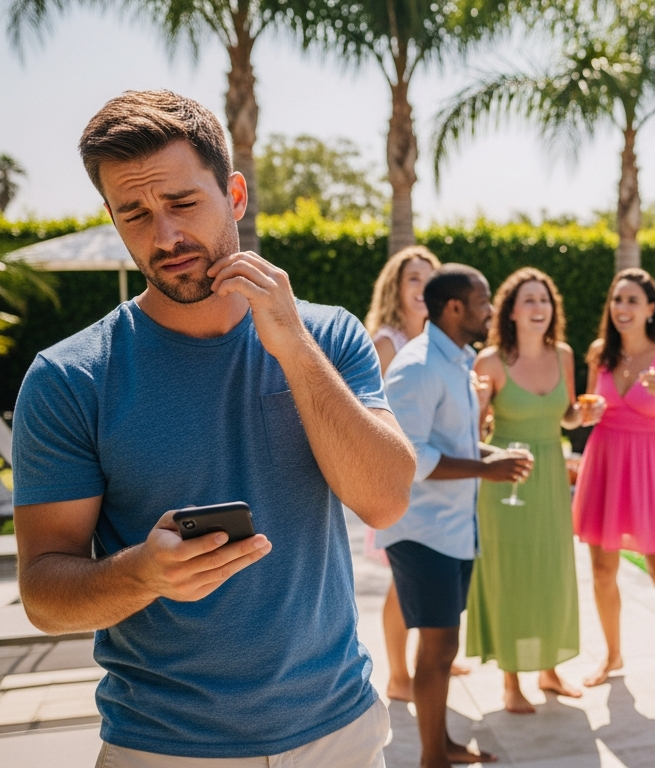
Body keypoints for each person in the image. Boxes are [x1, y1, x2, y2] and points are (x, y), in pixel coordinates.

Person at [11, 90, 416, 765]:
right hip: (163, 749)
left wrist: (293, 349)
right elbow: (45, 596)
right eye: (134, 213)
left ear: (234, 194)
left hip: (338, 734)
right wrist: (143, 575)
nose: (164, 236)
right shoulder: (68, 379)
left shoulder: (327, 335)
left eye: (182, 203)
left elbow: (386, 498)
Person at [379, 264, 533, 767]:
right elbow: (409, 455)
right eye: (484, 302)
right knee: (439, 645)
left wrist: (490, 456)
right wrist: (487, 470)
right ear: (454, 308)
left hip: (451, 528)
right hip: (422, 531)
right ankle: (431, 757)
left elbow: (450, 443)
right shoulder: (418, 366)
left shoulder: (455, 362)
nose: (492, 311)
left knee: (445, 646)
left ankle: (440, 743)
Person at [465, 267, 586, 713]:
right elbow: (471, 434)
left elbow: (567, 414)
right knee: (510, 573)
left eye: (546, 300)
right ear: (511, 311)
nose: (540, 308)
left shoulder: (565, 355)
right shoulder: (490, 362)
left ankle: (549, 669)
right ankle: (511, 680)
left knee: (552, 572)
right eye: (530, 300)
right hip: (504, 482)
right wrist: (477, 404)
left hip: (552, 476)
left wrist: (583, 416)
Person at [573, 268, 655, 692]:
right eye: (616, 300)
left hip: (650, 468)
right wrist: (583, 416)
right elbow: (587, 411)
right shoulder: (599, 353)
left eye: (631, 300)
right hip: (603, 464)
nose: (621, 308)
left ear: (650, 308)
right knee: (602, 571)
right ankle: (612, 655)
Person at [363, 245, 474, 701]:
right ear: (396, 285)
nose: (421, 286)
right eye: (413, 277)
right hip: (401, 482)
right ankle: (398, 674)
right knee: (400, 581)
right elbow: (376, 413)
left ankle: (427, 657)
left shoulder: (447, 348)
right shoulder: (389, 342)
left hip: (431, 486)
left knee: (410, 588)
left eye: (428, 277)